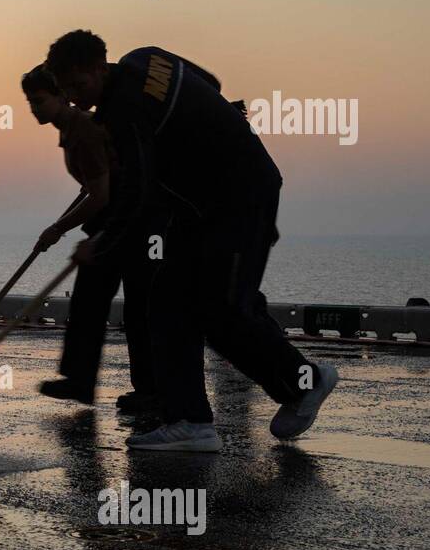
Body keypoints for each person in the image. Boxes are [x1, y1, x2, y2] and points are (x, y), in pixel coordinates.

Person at [46, 31, 338, 452]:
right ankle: (189, 421)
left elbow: (138, 189)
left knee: (222, 310)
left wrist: (102, 245)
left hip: (239, 196)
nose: (74, 98)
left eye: (78, 85)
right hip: (200, 206)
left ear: (98, 66)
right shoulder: (146, 56)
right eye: (65, 90)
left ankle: (304, 382)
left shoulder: (123, 110)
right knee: (166, 300)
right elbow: (211, 82)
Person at [18, 67, 155, 412]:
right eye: (29, 102)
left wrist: (58, 229)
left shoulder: (83, 130)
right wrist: (60, 225)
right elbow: (92, 186)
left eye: (39, 101)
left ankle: (146, 391)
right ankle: (83, 380)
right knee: (92, 300)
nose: (34, 108)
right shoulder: (72, 130)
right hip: (116, 215)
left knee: (135, 306)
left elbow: (101, 196)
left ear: (62, 96)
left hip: (129, 218)